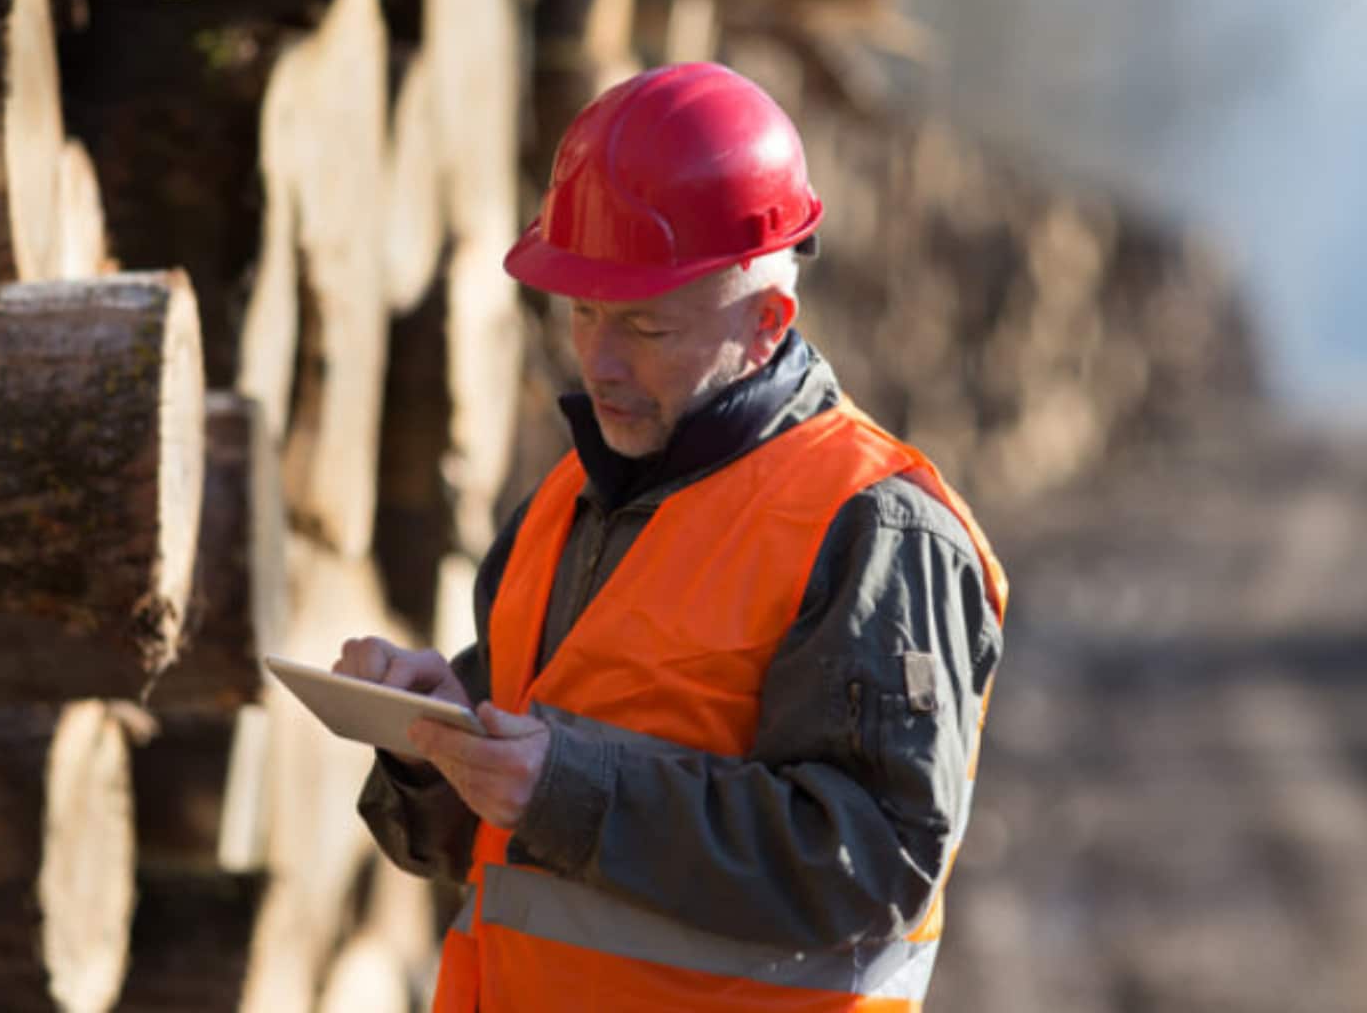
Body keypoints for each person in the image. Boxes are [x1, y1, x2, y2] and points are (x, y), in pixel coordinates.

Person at [338, 61, 1008, 1012]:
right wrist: (431, 743)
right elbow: (501, 845)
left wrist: (569, 790)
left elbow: (875, 864)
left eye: (645, 327)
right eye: (582, 313)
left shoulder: (876, 529)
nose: (598, 361)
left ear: (769, 321)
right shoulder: (566, 503)